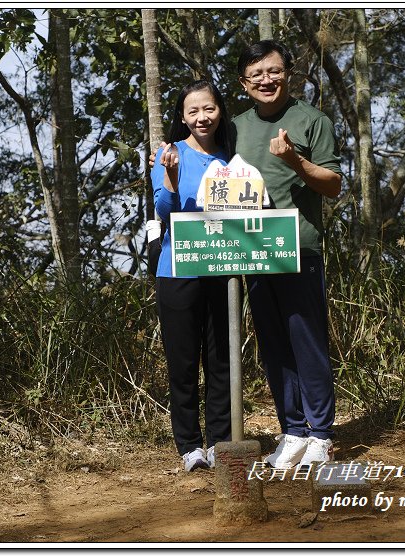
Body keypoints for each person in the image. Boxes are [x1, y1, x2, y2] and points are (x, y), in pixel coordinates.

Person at [232, 40, 343, 469]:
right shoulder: (235, 126)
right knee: (274, 347)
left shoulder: (312, 120)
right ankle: (292, 431)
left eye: (274, 71)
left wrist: (295, 161)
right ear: (244, 83)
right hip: (251, 252)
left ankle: (321, 434)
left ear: (289, 73)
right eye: (256, 74)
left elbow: (332, 184)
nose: (267, 81)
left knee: (307, 344)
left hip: (298, 248)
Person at [151, 80, 235, 472]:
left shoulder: (232, 157)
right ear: (182, 117)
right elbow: (163, 210)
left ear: (220, 111)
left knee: (220, 359)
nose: (202, 117)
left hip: (222, 266)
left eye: (209, 109)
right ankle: (189, 445)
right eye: (193, 111)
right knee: (182, 363)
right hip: (176, 270)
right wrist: (170, 175)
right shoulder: (170, 154)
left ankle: (219, 441)